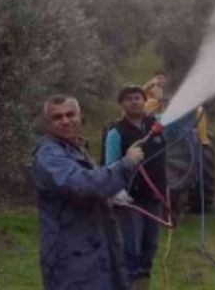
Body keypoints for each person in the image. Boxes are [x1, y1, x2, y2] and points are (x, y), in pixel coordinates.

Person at [33, 94, 144, 290]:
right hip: (71, 260)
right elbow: (84, 185)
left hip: (91, 254)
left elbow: (87, 186)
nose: (65, 121)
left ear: (80, 116)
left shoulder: (74, 148)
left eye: (70, 114)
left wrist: (110, 196)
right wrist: (126, 164)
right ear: (47, 123)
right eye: (57, 117)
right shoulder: (49, 155)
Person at [104, 85, 167, 286]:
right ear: (122, 104)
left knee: (150, 248)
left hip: (154, 198)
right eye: (129, 99)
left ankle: (142, 284)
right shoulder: (116, 132)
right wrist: (116, 190)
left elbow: (181, 127)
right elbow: (110, 164)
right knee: (130, 249)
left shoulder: (157, 125)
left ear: (144, 101)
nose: (134, 102)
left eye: (138, 98)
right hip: (130, 201)